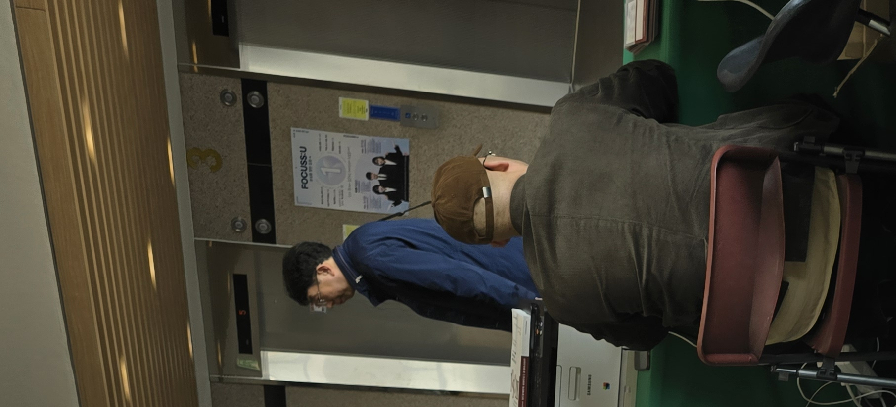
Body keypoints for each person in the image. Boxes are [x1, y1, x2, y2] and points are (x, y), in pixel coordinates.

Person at [431, 61, 858, 351]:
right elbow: (658, 78)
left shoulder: (562, 301)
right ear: (498, 164)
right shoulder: (573, 117)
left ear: (495, 243)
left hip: (788, 312)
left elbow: (647, 336)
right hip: (809, 189)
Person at [281, 215, 537, 331]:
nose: (328, 305)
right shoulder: (362, 249)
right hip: (514, 273)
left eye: (319, 298)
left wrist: (534, 307)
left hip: (521, 277)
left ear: (324, 270)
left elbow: (456, 277)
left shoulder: (370, 257)